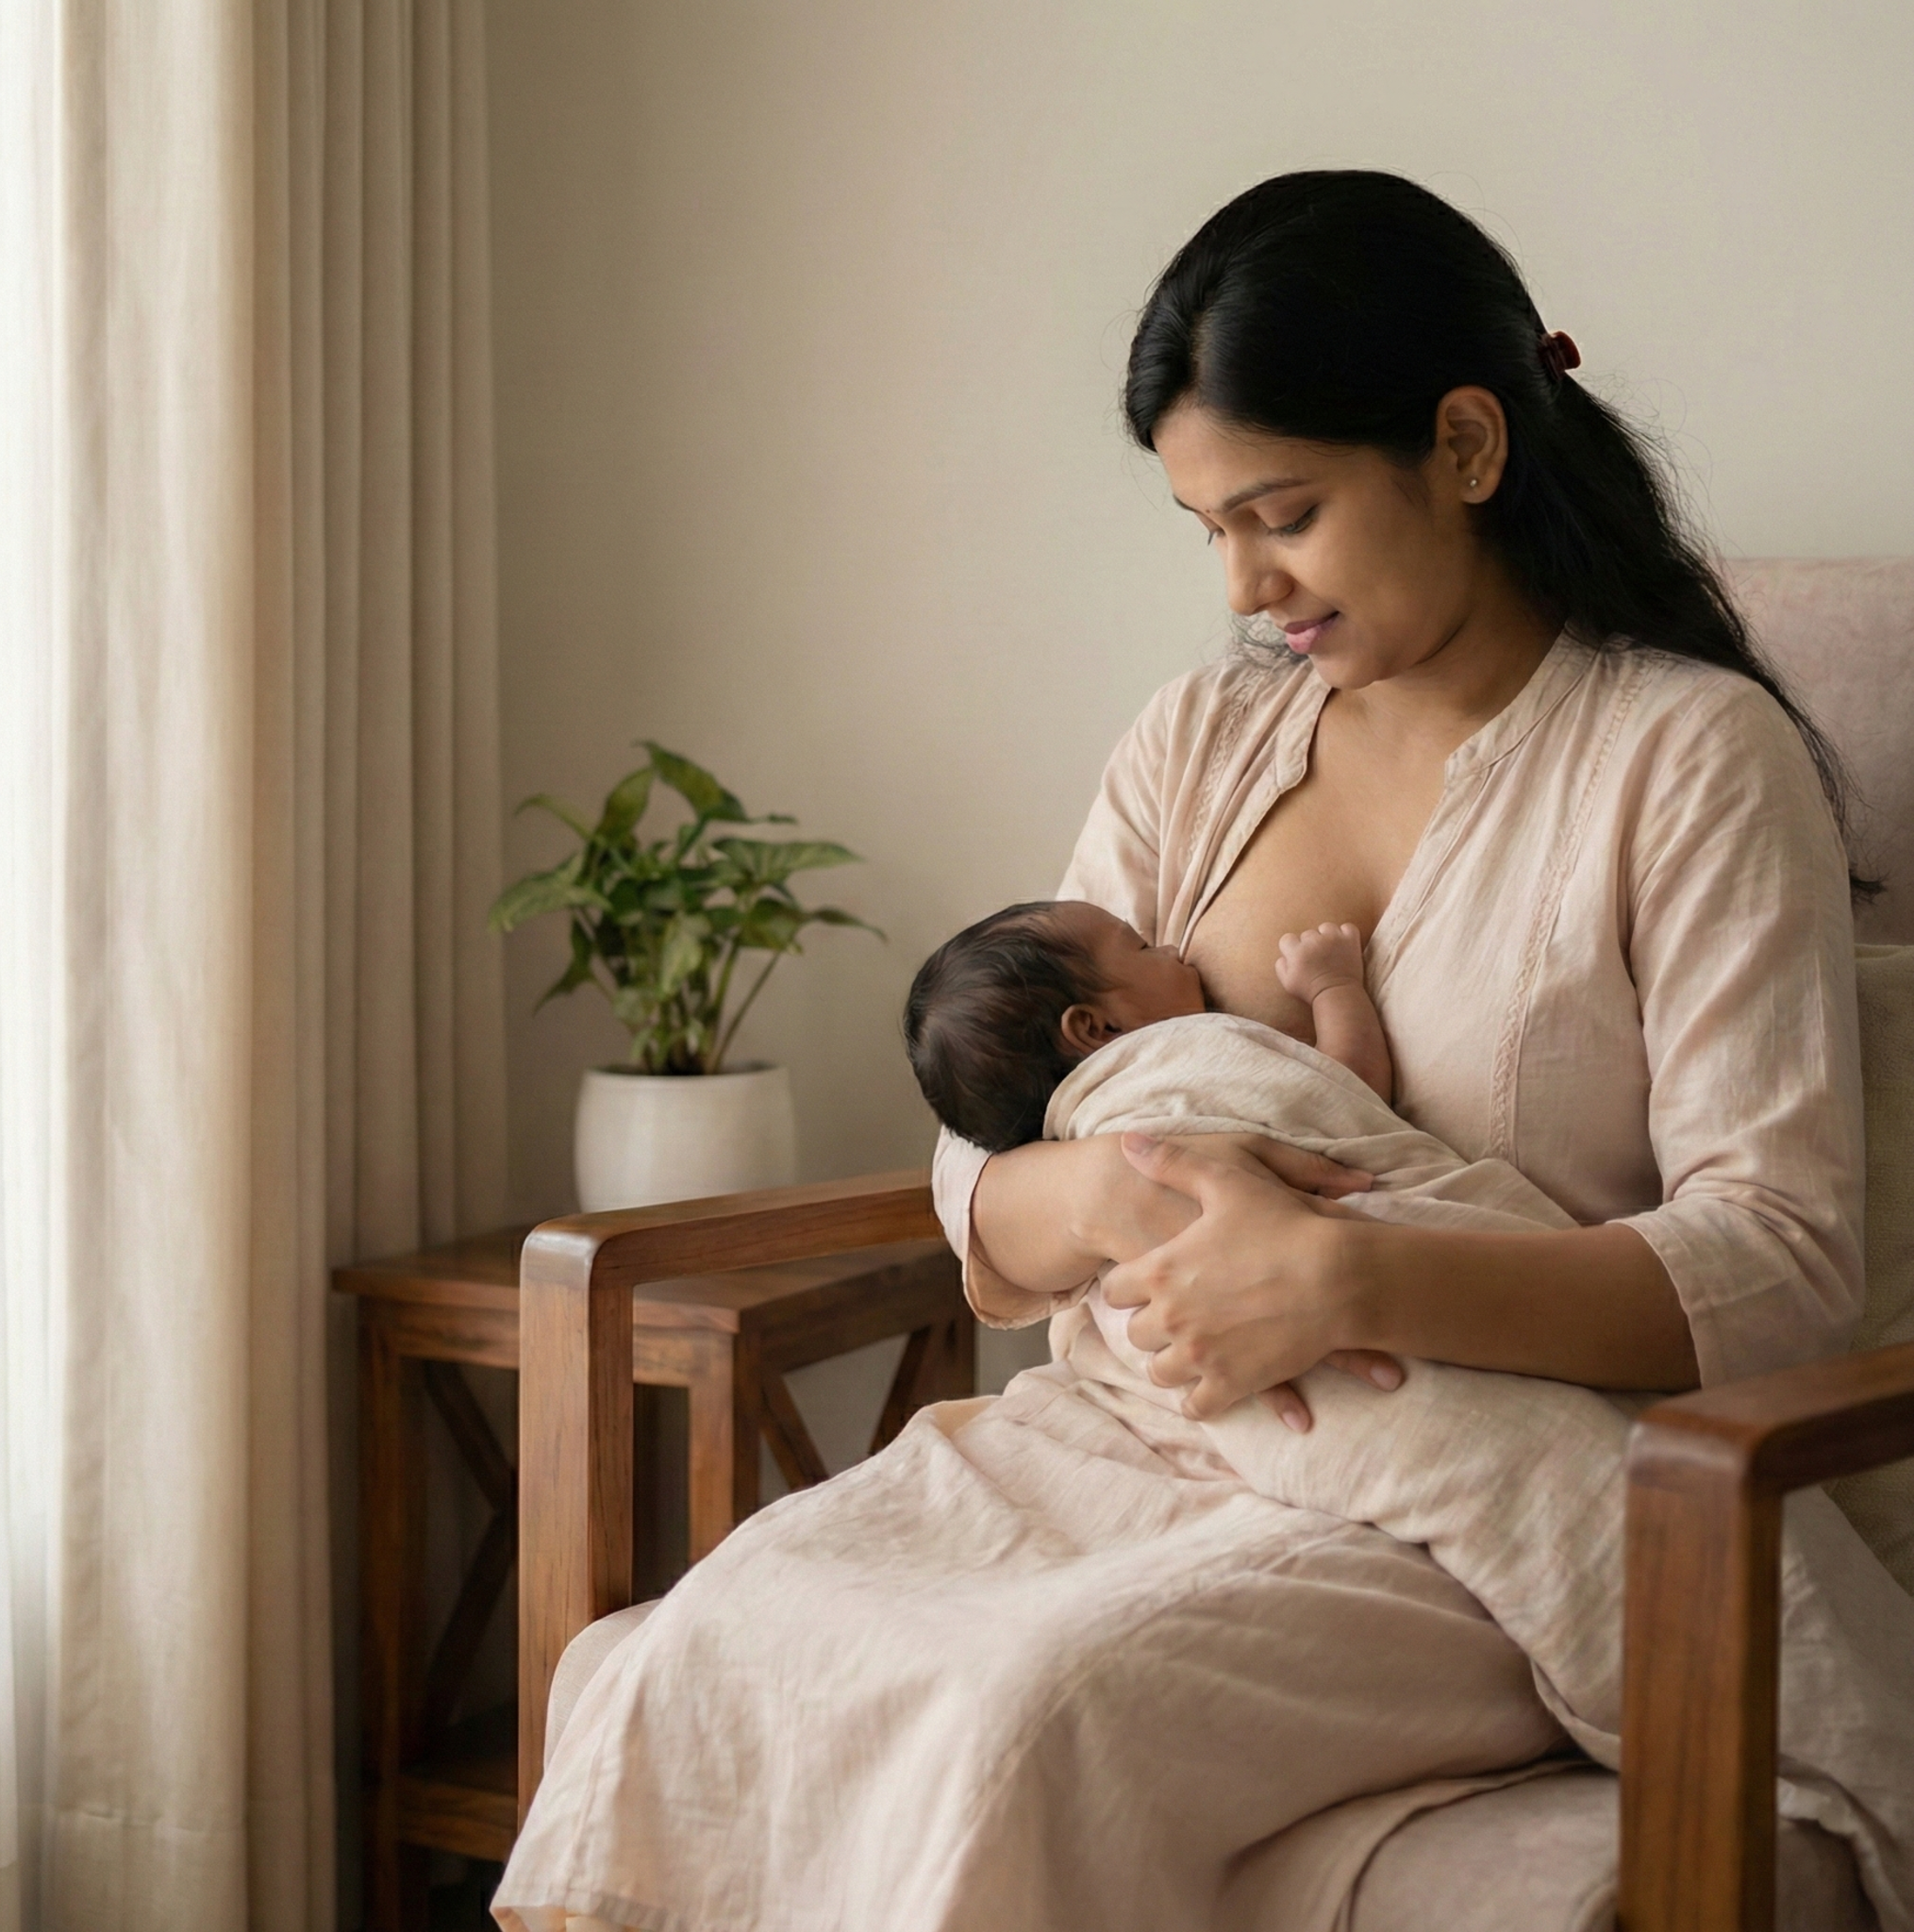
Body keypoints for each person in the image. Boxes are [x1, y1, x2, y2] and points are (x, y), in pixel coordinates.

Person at [493, 171, 1900, 1932]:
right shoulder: (1200, 742)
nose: (1242, 582)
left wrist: (1338, 1276)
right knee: (700, 1650)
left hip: (1477, 1484)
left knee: (1020, 1713)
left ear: (1464, 445)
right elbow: (983, 1167)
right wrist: (1110, 1182)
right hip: (1136, 1423)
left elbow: (1779, 1266)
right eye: (1205, 527)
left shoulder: (1683, 759)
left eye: (1282, 513)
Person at [902, 899, 1389, 1154]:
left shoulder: (1080, 1140)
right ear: (1095, 1028)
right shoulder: (1181, 1069)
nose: (1171, 949)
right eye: (1139, 947)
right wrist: (1334, 987)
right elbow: (1351, 1093)